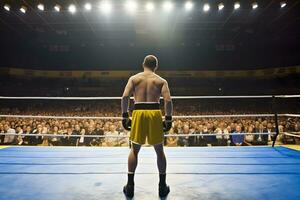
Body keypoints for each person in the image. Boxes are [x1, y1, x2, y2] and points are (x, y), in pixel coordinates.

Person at [121, 55, 173, 198]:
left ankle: (130, 186)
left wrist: (125, 116)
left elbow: (125, 97)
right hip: (154, 113)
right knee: (159, 151)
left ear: (143, 64)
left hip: (138, 112)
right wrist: (168, 119)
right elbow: (168, 101)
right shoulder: (161, 81)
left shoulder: (134, 79)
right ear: (156, 66)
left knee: (134, 149)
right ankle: (162, 187)